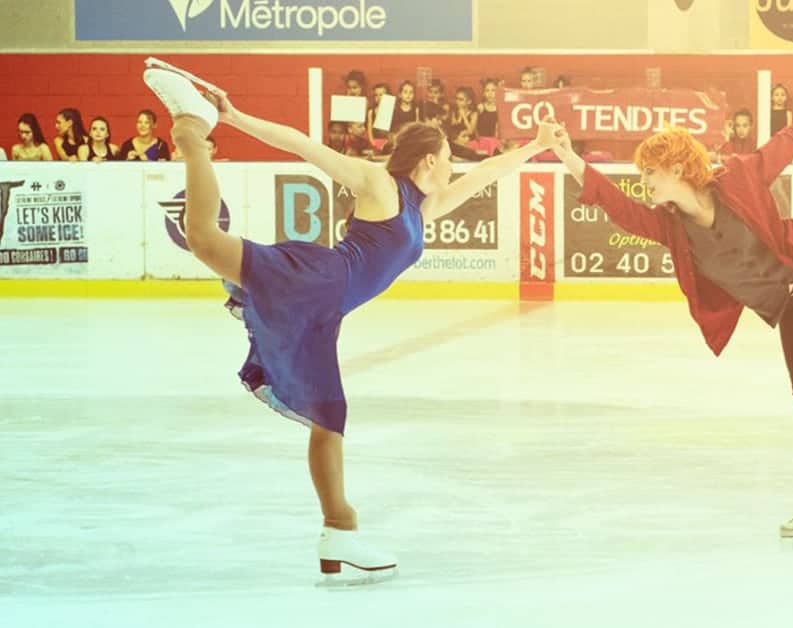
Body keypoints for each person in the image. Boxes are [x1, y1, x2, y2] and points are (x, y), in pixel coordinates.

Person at [141, 57, 563, 584]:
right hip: (318, 281)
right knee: (204, 238)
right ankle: (192, 129)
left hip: (325, 308)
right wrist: (235, 116)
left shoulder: (419, 209)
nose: (453, 168)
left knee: (328, 415)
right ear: (430, 158)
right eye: (448, 160)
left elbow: (485, 175)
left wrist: (537, 145)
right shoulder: (379, 185)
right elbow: (303, 145)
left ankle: (340, 531)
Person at [548, 50, 793, 541]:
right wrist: (567, 156)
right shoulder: (670, 228)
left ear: (678, 169)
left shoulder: (737, 178)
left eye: (649, 174)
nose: (642, 184)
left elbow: (783, 144)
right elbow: (617, 206)